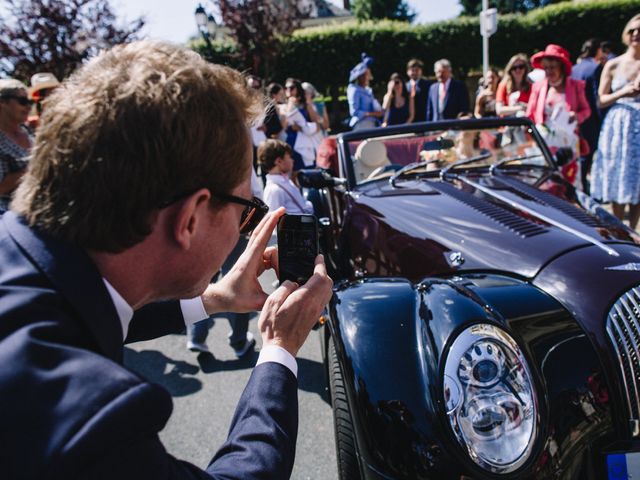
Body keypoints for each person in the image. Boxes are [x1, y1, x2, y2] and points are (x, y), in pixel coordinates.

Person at [0, 41, 333, 479]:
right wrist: (279, 350)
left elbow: (87, 313)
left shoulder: (23, 259)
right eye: (246, 211)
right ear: (191, 217)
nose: (244, 228)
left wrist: (213, 299)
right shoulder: (83, 415)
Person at [591, 14, 640, 229]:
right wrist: (625, 92)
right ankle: (619, 230)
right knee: (617, 176)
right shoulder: (613, 64)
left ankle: (634, 230)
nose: (636, 35)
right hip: (619, 127)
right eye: (632, 31)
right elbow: (600, 100)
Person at [526, 44, 591, 186]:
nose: (549, 71)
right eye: (546, 68)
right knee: (546, 183)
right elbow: (530, 115)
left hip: (568, 143)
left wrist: (576, 116)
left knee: (569, 181)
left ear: (561, 67)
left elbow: (586, 110)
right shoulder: (538, 87)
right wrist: (532, 135)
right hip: (544, 142)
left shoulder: (575, 86)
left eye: (553, 67)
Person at [571, 38, 606, 193]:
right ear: (597, 50)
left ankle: (578, 185)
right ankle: (583, 189)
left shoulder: (573, 68)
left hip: (574, 119)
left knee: (577, 155)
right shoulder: (596, 68)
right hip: (591, 119)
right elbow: (596, 95)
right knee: (588, 155)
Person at [0, 78, 32, 214]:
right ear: (2, 102)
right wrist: (36, 169)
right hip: (8, 216)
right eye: (22, 102)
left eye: (29, 102)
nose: (28, 107)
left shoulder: (28, 131)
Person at [259, 139, 314, 214]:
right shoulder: (273, 190)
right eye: (289, 157)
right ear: (279, 161)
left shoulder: (285, 181)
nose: (292, 160)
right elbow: (274, 223)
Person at [282, 77, 319, 171]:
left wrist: (303, 127)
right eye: (286, 88)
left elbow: (316, 124)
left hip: (306, 140)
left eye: (291, 88)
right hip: (292, 140)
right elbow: (284, 126)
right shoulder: (284, 106)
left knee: (308, 168)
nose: (288, 90)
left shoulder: (306, 105)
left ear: (297, 89)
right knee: (294, 171)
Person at [347, 53, 383, 130]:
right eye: (366, 75)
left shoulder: (368, 90)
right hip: (362, 124)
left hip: (373, 123)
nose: (368, 77)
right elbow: (354, 111)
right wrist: (371, 114)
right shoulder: (354, 90)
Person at [406, 58, 431, 123]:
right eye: (412, 70)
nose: (414, 72)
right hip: (408, 122)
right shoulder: (404, 87)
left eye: (417, 70)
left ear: (421, 71)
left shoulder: (427, 85)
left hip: (424, 120)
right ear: (407, 71)